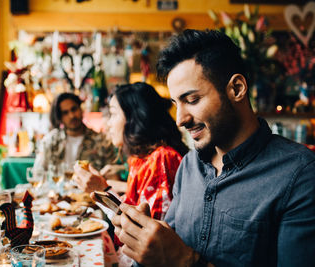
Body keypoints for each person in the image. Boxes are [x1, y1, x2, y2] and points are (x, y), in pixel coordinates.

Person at [111, 29, 315, 267]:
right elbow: (168, 247)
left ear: (237, 88)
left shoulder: (299, 175)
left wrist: (185, 261)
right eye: (177, 104)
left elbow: (177, 258)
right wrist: (147, 243)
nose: (180, 119)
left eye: (192, 100)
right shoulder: (189, 165)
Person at [74, 82, 189, 220]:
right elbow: (128, 212)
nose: (108, 124)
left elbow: (143, 231)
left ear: (134, 119)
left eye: (113, 114)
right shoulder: (140, 159)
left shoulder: (162, 158)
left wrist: (102, 189)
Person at [33, 92, 115, 173]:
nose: (72, 116)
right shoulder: (50, 141)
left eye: (74, 109)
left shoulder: (102, 142)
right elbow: (37, 173)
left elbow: (111, 175)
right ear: (59, 117)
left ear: (81, 109)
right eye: (65, 113)